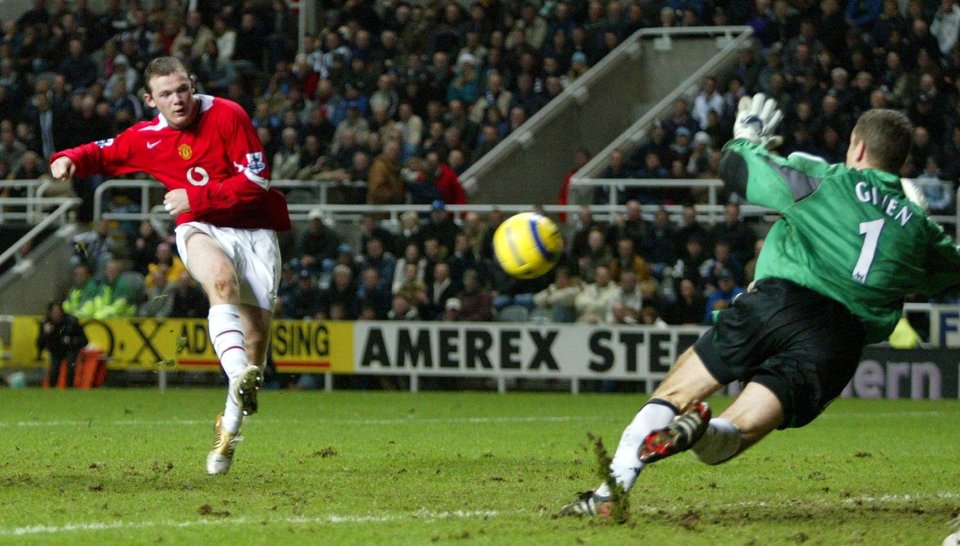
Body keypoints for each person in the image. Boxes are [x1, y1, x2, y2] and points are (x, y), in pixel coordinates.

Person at [560, 94, 960, 517]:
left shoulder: (825, 179)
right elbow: (948, 271)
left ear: (857, 146)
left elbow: (737, 170)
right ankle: (702, 433)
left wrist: (747, 136)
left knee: (677, 390)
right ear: (900, 162)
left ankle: (612, 490)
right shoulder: (921, 232)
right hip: (837, 341)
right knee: (736, 433)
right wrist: (916, 220)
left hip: (777, 303)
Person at [49, 56, 291, 475]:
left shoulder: (229, 115)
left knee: (257, 347)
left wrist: (193, 197)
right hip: (199, 227)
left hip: (254, 231)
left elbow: (256, 183)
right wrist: (68, 157)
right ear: (150, 100)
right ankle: (236, 376)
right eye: (166, 94)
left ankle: (229, 427)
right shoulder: (147, 138)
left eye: (182, 89)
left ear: (192, 85)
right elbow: (104, 152)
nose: (177, 100)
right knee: (220, 281)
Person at [36, 301, 88, 389]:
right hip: (56, 350)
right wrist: (45, 334)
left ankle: (69, 389)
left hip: (70, 349)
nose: (56, 314)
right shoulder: (46, 324)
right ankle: (52, 389)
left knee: (70, 366)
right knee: (54, 370)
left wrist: (71, 341)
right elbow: (39, 344)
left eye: (58, 312)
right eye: (54, 312)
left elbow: (84, 341)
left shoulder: (72, 322)